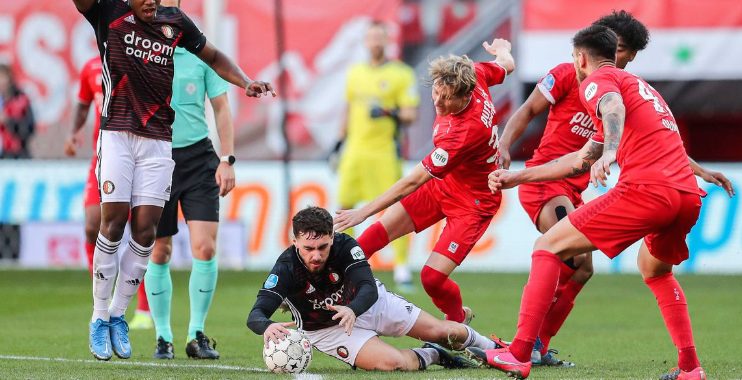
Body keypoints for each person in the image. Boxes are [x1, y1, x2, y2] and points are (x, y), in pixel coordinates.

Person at [473, 25, 713, 380]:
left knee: (548, 247)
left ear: (581, 58)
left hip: (647, 191)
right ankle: (690, 368)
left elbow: (610, 107)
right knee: (656, 270)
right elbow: (581, 158)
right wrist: (517, 177)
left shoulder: (597, 82)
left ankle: (520, 352)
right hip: (686, 195)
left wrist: (612, 151)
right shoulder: (643, 88)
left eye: (574, 58)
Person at [72, 0, 275, 361]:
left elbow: (213, 56)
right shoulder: (107, 13)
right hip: (117, 134)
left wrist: (246, 81)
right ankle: (98, 316)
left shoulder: (175, 21)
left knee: (147, 230)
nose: (152, 0)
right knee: (113, 220)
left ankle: (119, 314)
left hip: (158, 142)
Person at [333, 38, 515, 324]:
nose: (438, 101)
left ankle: (457, 320)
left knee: (431, 278)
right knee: (370, 239)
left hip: (474, 202)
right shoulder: (475, 74)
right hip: (445, 184)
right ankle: (328, 292)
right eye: (436, 92)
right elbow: (506, 66)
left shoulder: (464, 132)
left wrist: (362, 212)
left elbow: (411, 182)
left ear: (466, 95)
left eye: (447, 98)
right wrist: (502, 49)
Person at [248, 206, 504, 371]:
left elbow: (368, 288)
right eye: (308, 248)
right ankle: (433, 355)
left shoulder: (346, 246)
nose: (316, 255)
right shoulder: (285, 268)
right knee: (392, 363)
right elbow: (256, 314)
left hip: (369, 304)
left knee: (442, 330)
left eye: (322, 247)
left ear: (333, 237)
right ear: (295, 243)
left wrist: (352, 309)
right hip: (326, 330)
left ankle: (500, 351)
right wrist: (267, 325)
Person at [144, 0, 235, 361]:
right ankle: (162, 336)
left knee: (205, 248)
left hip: (198, 160)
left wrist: (227, 159)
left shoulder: (199, 50)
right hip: (156, 157)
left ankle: (196, 333)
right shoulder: (145, 50)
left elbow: (222, 108)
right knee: (159, 250)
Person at [65, 56, 154, 331]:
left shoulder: (139, 61)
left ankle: (143, 308)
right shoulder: (90, 67)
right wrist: (74, 133)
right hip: (102, 156)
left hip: (137, 155)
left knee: (138, 230)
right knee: (94, 226)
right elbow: (82, 104)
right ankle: (101, 300)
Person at [331, 21, 420, 290]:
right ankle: (345, 264)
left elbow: (410, 114)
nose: (375, 42)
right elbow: (347, 109)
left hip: (384, 153)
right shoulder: (355, 73)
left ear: (387, 40)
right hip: (354, 152)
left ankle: (402, 267)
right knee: (344, 208)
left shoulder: (401, 74)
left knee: (396, 209)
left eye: (379, 37)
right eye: (370, 37)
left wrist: (388, 112)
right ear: (366, 42)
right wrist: (338, 143)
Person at [0, 64, 35, 159]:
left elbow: (28, 130)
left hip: (17, 156)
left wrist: (8, 121)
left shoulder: (21, 100)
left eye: (3, 77)